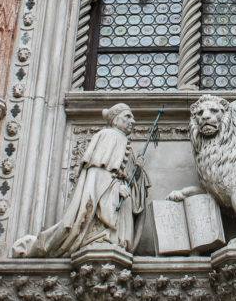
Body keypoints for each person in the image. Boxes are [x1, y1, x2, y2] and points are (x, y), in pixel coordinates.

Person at [12, 103, 149, 256]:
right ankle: (99, 238)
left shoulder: (125, 142)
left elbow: (127, 177)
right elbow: (98, 176)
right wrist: (117, 189)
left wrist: (137, 173)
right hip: (110, 198)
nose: (133, 121)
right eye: (128, 116)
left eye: (133, 117)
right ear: (116, 119)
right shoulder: (109, 136)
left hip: (121, 199)